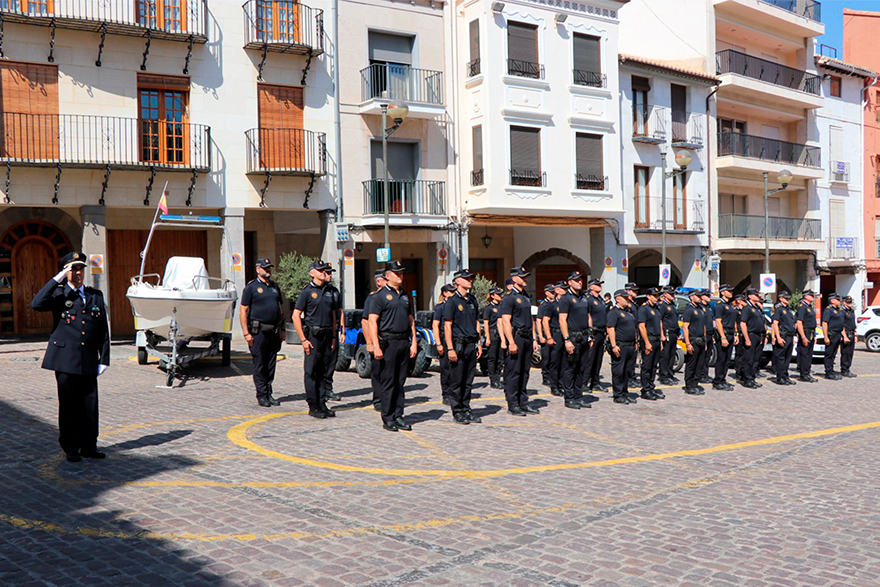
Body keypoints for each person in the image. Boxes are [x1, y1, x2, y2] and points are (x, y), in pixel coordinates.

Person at [31, 252, 110, 462]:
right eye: (73, 269)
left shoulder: (95, 295)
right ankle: (71, 448)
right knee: (68, 406)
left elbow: (103, 330)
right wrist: (57, 279)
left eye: (80, 269)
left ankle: (89, 447)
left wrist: (104, 359)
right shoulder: (59, 294)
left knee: (90, 406)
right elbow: (36, 303)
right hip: (65, 359)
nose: (78, 273)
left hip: (88, 358)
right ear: (66, 272)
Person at [367, 260, 418, 432]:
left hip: (403, 342)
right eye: (397, 273)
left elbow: (411, 320)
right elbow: (372, 321)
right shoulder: (379, 296)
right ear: (387, 276)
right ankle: (388, 417)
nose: (400, 275)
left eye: (401, 272)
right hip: (388, 343)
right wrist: (376, 345)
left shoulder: (404, 294)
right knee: (388, 381)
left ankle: (398, 415)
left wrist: (414, 342)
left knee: (400, 381)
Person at [292, 260, 339, 419]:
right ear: (312, 273)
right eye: (320, 270)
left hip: (327, 336)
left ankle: (322, 402)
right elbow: (296, 315)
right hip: (313, 337)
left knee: (324, 371)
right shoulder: (307, 291)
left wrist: (334, 336)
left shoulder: (329, 291)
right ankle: (313, 405)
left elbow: (333, 315)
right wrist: (303, 339)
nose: (323, 273)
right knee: (311, 371)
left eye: (324, 270)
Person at [240, 258, 284, 408]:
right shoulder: (251, 288)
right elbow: (243, 311)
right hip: (258, 332)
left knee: (271, 365)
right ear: (258, 269)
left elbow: (280, 309)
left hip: (274, 331)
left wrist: (283, 329)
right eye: (265, 268)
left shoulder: (274, 287)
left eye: (269, 267)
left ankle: (269, 393)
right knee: (260, 364)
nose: (268, 270)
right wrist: (246, 333)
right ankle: (261, 395)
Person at [443, 269, 483, 424]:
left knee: (468, 380)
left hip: (471, 344)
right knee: (457, 380)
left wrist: (479, 343)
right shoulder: (452, 301)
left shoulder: (472, 300)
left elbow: (476, 322)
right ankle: (457, 411)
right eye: (467, 278)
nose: (470, 281)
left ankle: (466, 409)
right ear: (458, 281)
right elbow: (447, 326)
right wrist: (450, 348)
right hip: (458, 345)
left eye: (471, 278)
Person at [500, 266, 540, 416]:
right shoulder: (509, 298)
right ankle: (513, 404)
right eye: (522, 277)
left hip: (527, 337)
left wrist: (534, 338)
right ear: (514, 278)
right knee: (514, 372)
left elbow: (531, 319)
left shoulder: (525, 296)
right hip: (516, 337)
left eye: (525, 276)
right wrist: (511, 342)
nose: (525, 279)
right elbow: (505, 321)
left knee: (525, 371)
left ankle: (523, 402)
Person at [557, 271, 592, 409]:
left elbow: (588, 316)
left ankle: (579, 396)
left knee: (581, 368)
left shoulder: (584, 297)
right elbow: (562, 319)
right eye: (576, 280)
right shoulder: (565, 298)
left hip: (584, 336)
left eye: (580, 280)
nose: (579, 282)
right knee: (569, 368)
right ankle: (569, 397)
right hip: (572, 337)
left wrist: (590, 334)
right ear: (569, 282)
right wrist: (567, 340)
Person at [607, 290, 638, 405]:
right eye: (625, 297)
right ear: (618, 299)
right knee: (618, 372)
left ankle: (625, 392)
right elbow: (610, 328)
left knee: (627, 371)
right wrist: (614, 345)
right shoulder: (614, 312)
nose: (627, 299)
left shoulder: (629, 312)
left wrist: (635, 341)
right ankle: (618, 394)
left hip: (630, 345)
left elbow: (634, 327)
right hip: (620, 345)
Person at [362, 268, 387, 410]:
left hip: (391, 340)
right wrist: (369, 342)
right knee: (378, 372)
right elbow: (365, 322)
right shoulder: (373, 298)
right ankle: (378, 400)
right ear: (379, 282)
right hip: (378, 340)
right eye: (386, 279)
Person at [637, 287, 666, 400]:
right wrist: (646, 342)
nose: (656, 297)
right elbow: (641, 326)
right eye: (654, 295)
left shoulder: (657, 308)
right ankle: (645, 390)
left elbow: (659, 323)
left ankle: (651, 386)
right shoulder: (644, 308)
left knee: (654, 366)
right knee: (647, 366)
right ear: (648, 296)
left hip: (657, 340)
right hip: (649, 339)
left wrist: (661, 339)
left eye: (657, 295)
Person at [432, 284, 456, 404]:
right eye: (451, 291)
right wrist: (438, 343)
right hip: (444, 339)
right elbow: (435, 326)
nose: (453, 293)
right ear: (445, 293)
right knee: (446, 369)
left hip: (455, 338)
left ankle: (455, 393)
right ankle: (446, 394)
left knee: (455, 369)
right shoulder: (440, 307)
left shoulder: (455, 305)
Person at [543, 282, 567, 397]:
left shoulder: (567, 304)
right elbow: (545, 321)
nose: (565, 291)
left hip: (566, 335)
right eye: (563, 289)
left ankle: (562, 385)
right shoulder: (552, 305)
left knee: (564, 362)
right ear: (557, 291)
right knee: (555, 362)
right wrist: (549, 337)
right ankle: (554, 386)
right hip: (556, 334)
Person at [322, 277, 344, 403]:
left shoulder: (334, 291)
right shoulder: (316, 291)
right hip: (321, 330)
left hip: (333, 330)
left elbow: (340, 311)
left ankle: (328, 389)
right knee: (321, 363)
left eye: (330, 273)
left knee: (332, 361)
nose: (329, 276)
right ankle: (321, 390)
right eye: (327, 273)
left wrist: (343, 330)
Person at [681, 289, 707, 395]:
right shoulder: (689, 310)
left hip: (701, 340)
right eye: (698, 296)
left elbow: (703, 325)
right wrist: (688, 343)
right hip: (693, 340)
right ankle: (689, 385)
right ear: (691, 297)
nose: (700, 298)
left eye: (701, 296)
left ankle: (695, 383)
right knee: (691, 364)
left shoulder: (700, 309)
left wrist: (705, 340)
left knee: (699, 364)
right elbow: (685, 327)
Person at [585, 278, 609, 392]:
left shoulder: (600, 299)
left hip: (601, 331)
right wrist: (590, 333)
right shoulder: (588, 299)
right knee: (590, 359)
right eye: (597, 284)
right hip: (593, 332)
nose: (600, 286)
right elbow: (587, 316)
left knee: (598, 359)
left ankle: (595, 382)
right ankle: (584, 382)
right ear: (591, 287)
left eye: (600, 284)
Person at [739, 288, 766, 389]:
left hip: (758, 335)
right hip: (751, 335)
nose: (758, 296)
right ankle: (747, 379)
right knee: (748, 359)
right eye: (756, 295)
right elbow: (743, 324)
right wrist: (747, 338)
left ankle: (752, 378)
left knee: (755, 359)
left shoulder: (757, 308)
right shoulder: (747, 308)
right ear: (750, 296)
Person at [712, 285, 737, 391]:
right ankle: (718, 381)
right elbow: (718, 322)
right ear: (722, 293)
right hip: (724, 334)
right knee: (721, 359)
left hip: (730, 333)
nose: (731, 293)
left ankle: (723, 379)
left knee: (727, 359)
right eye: (728, 291)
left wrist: (735, 334)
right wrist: (722, 337)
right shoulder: (720, 305)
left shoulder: (730, 305)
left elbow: (734, 321)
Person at [769, 290, 796, 386]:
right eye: (785, 298)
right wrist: (778, 337)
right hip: (783, 335)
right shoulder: (779, 309)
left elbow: (791, 325)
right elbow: (775, 324)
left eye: (788, 298)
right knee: (780, 358)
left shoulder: (788, 310)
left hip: (789, 335)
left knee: (787, 358)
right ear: (780, 298)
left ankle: (785, 376)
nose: (787, 299)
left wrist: (792, 338)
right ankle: (780, 377)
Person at [482, 286, 504, 389]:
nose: (500, 296)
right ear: (492, 296)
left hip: (501, 334)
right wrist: (487, 337)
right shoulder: (489, 308)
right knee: (492, 358)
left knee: (500, 358)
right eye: (498, 294)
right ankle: (493, 380)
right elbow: (486, 323)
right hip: (493, 333)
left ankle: (498, 378)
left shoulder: (502, 306)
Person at [658, 286, 680, 386]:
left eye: (673, 293)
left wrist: (678, 331)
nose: (672, 295)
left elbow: (675, 319)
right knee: (665, 355)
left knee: (672, 354)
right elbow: (660, 320)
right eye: (670, 294)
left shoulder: (673, 305)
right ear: (665, 294)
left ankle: (670, 373)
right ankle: (664, 375)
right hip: (667, 333)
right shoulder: (663, 306)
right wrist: (662, 334)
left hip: (674, 332)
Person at [795, 289, 817, 383]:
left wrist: (814, 336)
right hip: (805, 332)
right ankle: (804, 374)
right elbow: (799, 323)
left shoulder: (809, 307)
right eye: (811, 295)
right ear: (805, 296)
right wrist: (803, 337)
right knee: (804, 354)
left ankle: (807, 373)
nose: (812, 297)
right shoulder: (802, 307)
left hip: (810, 332)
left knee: (809, 355)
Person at [537, 284, 557, 390]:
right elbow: (538, 321)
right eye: (551, 292)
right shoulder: (543, 305)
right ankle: (545, 377)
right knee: (546, 357)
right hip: (545, 334)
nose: (554, 294)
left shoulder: (556, 304)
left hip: (554, 333)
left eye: (554, 292)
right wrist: (540, 336)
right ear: (546, 293)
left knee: (554, 357)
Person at [822, 293, 845, 380]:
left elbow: (840, 324)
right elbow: (825, 323)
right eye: (837, 299)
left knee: (834, 354)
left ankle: (831, 370)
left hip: (838, 334)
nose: (839, 301)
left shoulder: (838, 310)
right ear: (832, 301)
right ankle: (828, 372)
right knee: (829, 354)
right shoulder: (828, 310)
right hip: (832, 334)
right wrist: (826, 336)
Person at [624, 282, 641, 387]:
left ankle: (632, 376)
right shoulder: (627, 304)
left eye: (636, 290)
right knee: (628, 359)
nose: (636, 292)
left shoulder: (635, 303)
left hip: (635, 333)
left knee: (633, 358)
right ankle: (628, 378)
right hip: (629, 333)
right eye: (633, 290)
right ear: (627, 291)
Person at [840, 295, 858, 378]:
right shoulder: (842, 311)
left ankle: (848, 369)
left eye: (850, 302)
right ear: (844, 302)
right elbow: (841, 325)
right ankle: (844, 370)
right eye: (848, 302)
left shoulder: (851, 311)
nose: (850, 303)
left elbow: (853, 323)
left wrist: (856, 334)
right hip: (846, 333)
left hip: (852, 333)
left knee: (850, 353)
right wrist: (844, 336)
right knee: (845, 353)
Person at [699, 290, 714, 385]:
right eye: (707, 295)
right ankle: (700, 375)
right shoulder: (700, 307)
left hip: (710, 334)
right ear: (702, 297)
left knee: (707, 356)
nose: (709, 297)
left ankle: (705, 374)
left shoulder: (709, 307)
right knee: (702, 356)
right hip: (703, 334)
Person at [732, 294, 746, 383]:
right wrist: (736, 334)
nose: (745, 302)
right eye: (743, 300)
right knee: (739, 354)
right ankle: (738, 372)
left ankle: (743, 371)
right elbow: (735, 323)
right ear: (739, 301)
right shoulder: (736, 311)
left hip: (745, 334)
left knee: (745, 354)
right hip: (739, 333)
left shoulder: (744, 311)